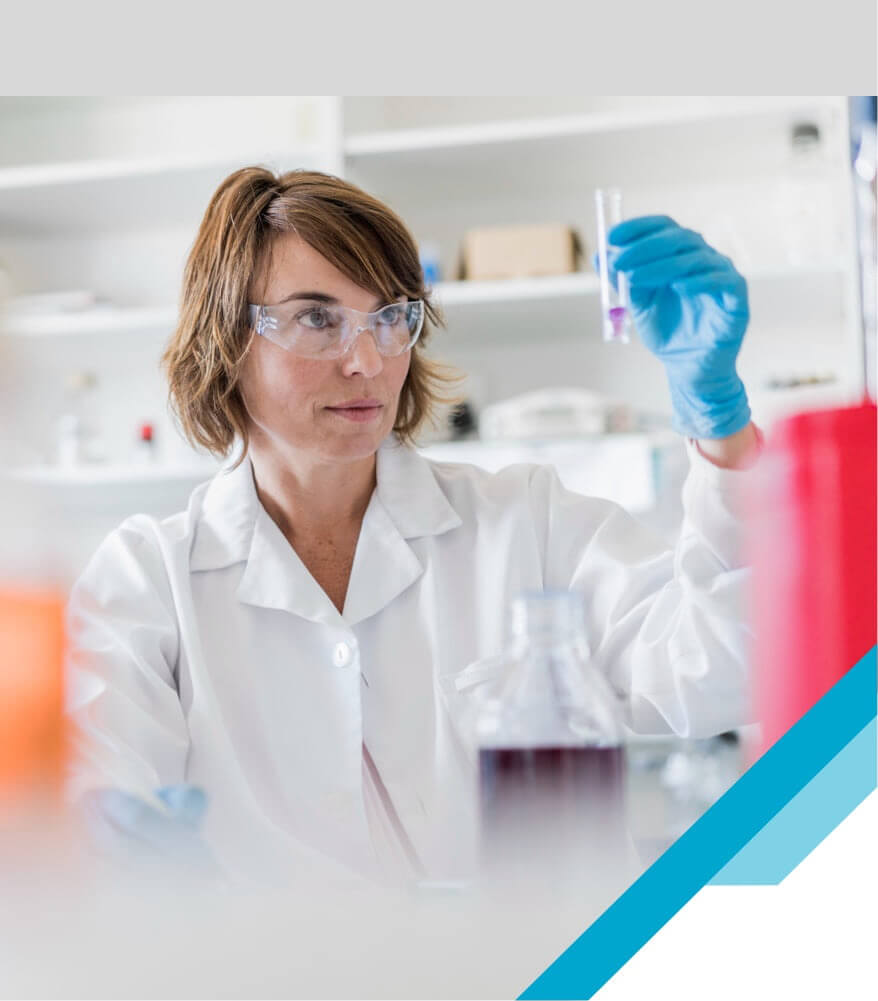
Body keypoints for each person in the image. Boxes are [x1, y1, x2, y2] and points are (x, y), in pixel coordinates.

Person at [66, 167, 761, 886]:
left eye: (390, 316)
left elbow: (723, 668)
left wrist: (721, 425)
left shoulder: (527, 523)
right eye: (316, 318)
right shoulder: (149, 583)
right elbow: (100, 804)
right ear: (226, 337)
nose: (367, 360)